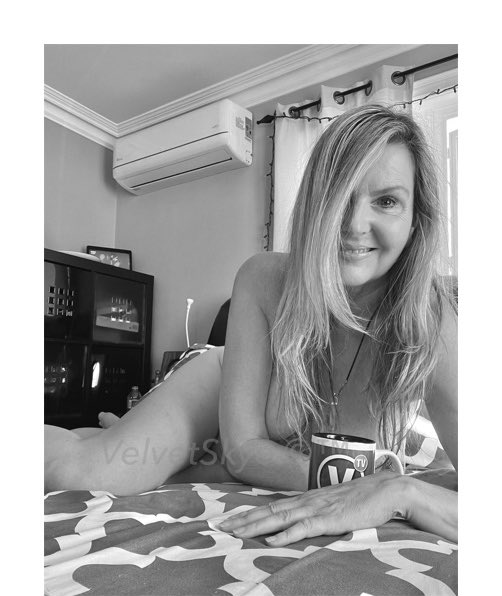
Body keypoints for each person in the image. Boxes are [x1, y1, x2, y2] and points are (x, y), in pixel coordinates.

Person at [45, 104, 457, 544]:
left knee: (159, 463)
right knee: (89, 472)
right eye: (339, 196)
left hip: (258, 449)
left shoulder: (431, 322)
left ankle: (138, 438)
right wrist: (356, 482)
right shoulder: (263, 278)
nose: (354, 225)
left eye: (387, 201)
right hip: (225, 386)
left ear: (417, 218)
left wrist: (401, 491)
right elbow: (244, 450)